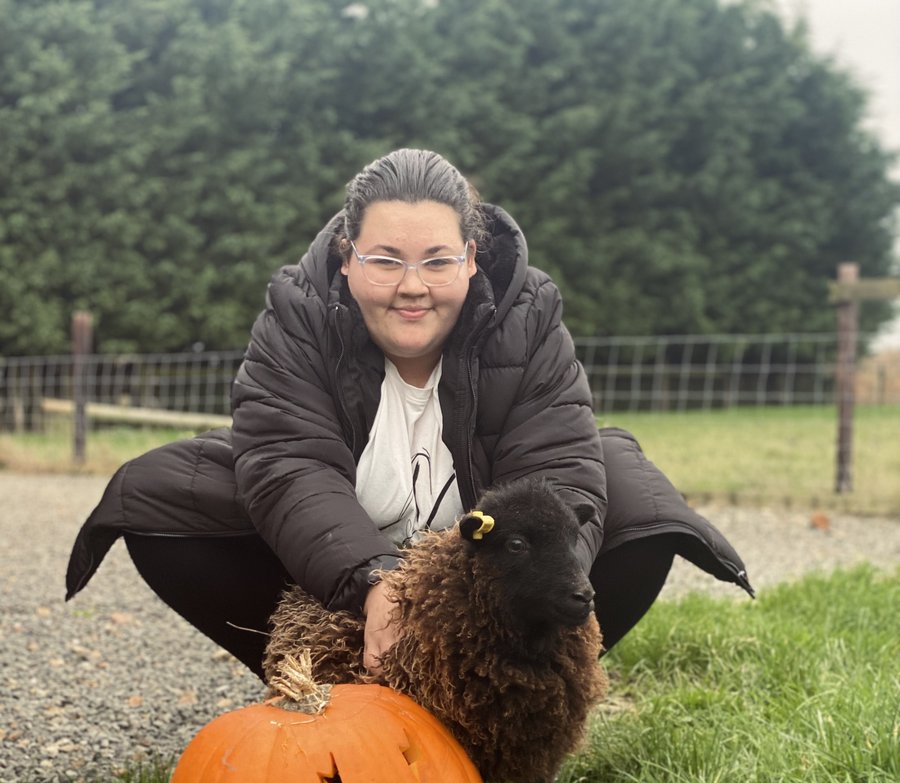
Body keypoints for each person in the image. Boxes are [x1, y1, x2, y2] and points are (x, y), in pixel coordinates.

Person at [66, 148, 753, 680]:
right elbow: (288, 462)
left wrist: (477, 611)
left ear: (471, 260)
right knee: (163, 488)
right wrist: (375, 580)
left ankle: (512, 697)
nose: (412, 287)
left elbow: (557, 466)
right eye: (386, 261)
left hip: (485, 587)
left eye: (437, 261)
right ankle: (322, 683)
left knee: (629, 488)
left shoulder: (530, 315)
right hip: (339, 582)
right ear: (347, 259)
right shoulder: (297, 314)